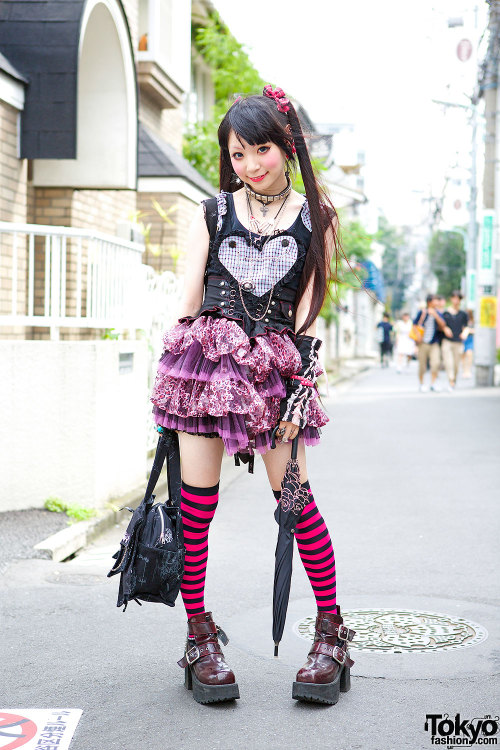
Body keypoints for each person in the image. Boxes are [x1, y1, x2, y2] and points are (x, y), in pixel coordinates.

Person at [150, 86, 354, 706]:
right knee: (196, 508)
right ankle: (199, 637)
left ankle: (331, 635)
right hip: (208, 367)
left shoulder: (315, 214)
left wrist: (303, 383)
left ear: (285, 147)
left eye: (260, 149)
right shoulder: (212, 212)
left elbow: (309, 311)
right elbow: (188, 300)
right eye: (238, 154)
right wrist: (168, 382)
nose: (250, 164)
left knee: (296, 504)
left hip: (276, 370)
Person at [414, 294, 451, 392]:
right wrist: (418, 337)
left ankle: (433, 383)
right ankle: (422, 384)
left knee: (435, 363)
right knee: (422, 365)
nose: (437, 302)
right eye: (435, 300)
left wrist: (434, 315)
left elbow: (443, 325)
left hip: (434, 343)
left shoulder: (438, 313)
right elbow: (414, 325)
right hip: (423, 343)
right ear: (429, 302)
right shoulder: (422, 312)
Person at [442, 290, 469, 391]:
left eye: (458, 299)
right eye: (454, 298)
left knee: (456, 364)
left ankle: (453, 380)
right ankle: (451, 380)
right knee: (448, 363)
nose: (456, 301)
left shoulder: (463, 314)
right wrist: (445, 329)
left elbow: (466, 326)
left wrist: (465, 333)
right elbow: (441, 325)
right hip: (447, 341)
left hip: (458, 342)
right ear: (451, 299)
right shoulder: (445, 313)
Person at [461, 310, 474, 378]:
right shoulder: (462, 321)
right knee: (463, 356)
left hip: (470, 339)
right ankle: (464, 371)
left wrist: (469, 330)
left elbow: (476, 330)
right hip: (463, 340)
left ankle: (468, 370)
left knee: (469, 354)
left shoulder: (473, 321)